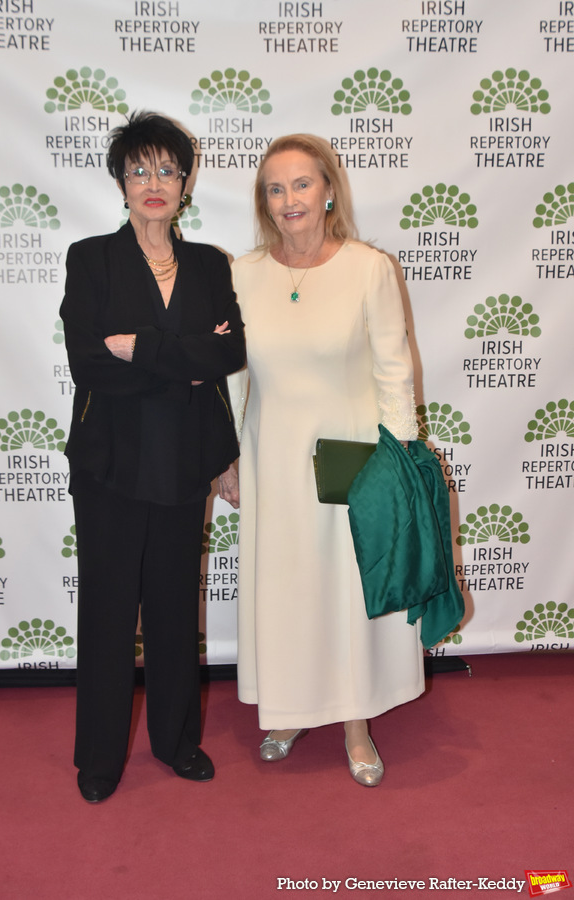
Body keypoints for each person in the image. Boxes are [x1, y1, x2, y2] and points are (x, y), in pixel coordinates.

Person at [220, 134, 423, 787]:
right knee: (286, 592)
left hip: (352, 459)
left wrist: (399, 459)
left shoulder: (369, 267)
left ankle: (356, 722)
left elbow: (395, 370)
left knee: (344, 593)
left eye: (301, 185)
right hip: (272, 458)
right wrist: (227, 458)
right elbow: (230, 378)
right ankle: (289, 709)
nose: (289, 200)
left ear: (328, 189)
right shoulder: (242, 274)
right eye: (275, 189)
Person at [60, 111, 245, 803]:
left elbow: (228, 354)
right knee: (109, 610)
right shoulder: (91, 258)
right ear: (119, 182)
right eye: (139, 169)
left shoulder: (207, 264)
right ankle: (99, 758)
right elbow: (88, 364)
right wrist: (182, 363)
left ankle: (177, 742)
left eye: (167, 168)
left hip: (182, 459)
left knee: (174, 608)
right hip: (110, 462)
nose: (154, 182)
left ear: (187, 180)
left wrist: (140, 347)